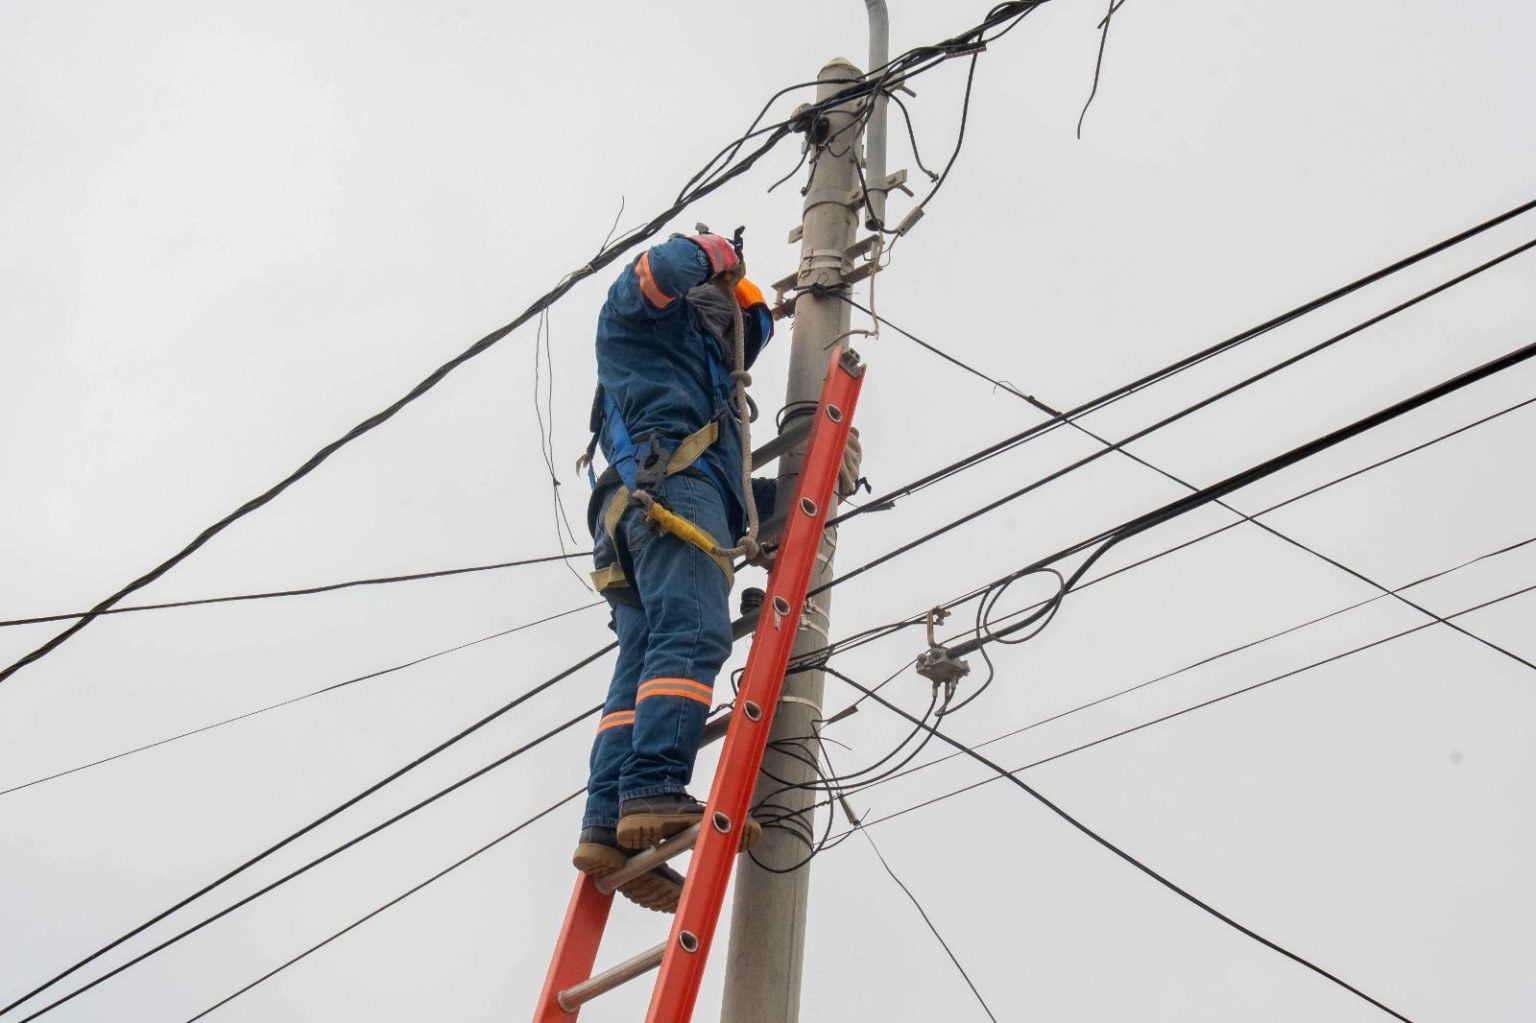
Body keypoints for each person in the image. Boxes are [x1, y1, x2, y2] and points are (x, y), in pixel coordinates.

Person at [573, 230, 861, 913]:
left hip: (639, 510)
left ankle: (607, 824)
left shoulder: (702, 391)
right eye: (740, 322)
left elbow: (736, 505)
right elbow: (654, 272)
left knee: (644, 661)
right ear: (711, 305)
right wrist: (712, 251)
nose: (741, 337)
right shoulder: (646, 334)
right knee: (694, 634)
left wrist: (816, 483)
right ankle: (652, 789)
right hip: (665, 496)